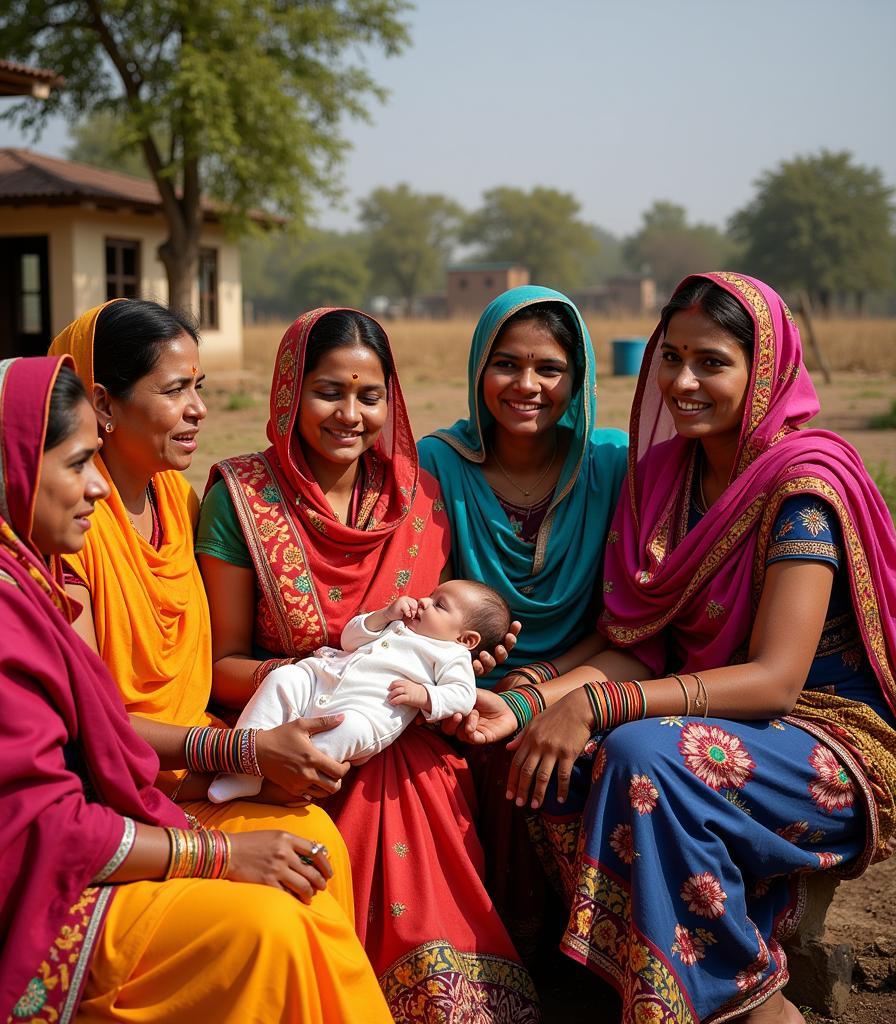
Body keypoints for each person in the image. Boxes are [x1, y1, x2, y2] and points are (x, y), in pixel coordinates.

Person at [0, 357, 392, 1022]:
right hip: (3, 915)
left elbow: (93, 751)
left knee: (305, 851)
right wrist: (222, 853)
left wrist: (238, 765)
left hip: (88, 838)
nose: (95, 488)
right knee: (267, 932)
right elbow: (40, 835)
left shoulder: (16, 574)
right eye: (75, 463)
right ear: (3, 469)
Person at [464, 273, 896, 1024]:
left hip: (827, 740)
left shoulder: (802, 486)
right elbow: (638, 645)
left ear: (762, 371)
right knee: (545, 755)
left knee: (639, 756)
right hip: (697, 715)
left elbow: (774, 683)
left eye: (713, 362)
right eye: (673, 357)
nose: (684, 382)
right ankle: (624, 979)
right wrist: (528, 702)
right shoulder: (664, 476)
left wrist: (599, 703)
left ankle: (752, 1009)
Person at [199, 307, 540, 1021]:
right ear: (291, 391)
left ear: (392, 399)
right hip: (288, 715)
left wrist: (458, 670)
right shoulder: (239, 498)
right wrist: (318, 676)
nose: (350, 414)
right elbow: (222, 661)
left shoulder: (419, 499)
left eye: (370, 395)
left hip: (398, 722)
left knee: (415, 773)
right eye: (329, 391)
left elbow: (454, 634)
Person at [47, 299, 357, 912]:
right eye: (174, 390)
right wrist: (243, 753)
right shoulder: (70, 532)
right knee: (273, 914)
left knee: (317, 842)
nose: (199, 409)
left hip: (190, 774)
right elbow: (93, 722)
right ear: (103, 404)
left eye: (200, 386)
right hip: (115, 794)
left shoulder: (176, 499)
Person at [418, 285, 627, 951]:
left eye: (550, 369)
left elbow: (630, 624)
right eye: (505, 364)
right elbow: (421, 600)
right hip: (453, 679)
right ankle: (479, 945)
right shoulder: (436, 465)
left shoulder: (613, 465)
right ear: (479, 367)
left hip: (584, 674)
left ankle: (581, 951)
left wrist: (539, 683)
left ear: (578, 376)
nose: (526, 385)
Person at [209, 580, 510, 802]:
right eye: (430, 595)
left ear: (467, 640)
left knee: (348, 730)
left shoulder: (451, 656)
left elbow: (462, 695)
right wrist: (383, 616)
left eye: (439, 604)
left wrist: (424, 696)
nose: (424, 601)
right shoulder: (399, 623)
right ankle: (243, 770)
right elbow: (350, 641)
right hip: (323, 679)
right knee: (282, 679)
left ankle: (292, 783)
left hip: (367, 712)